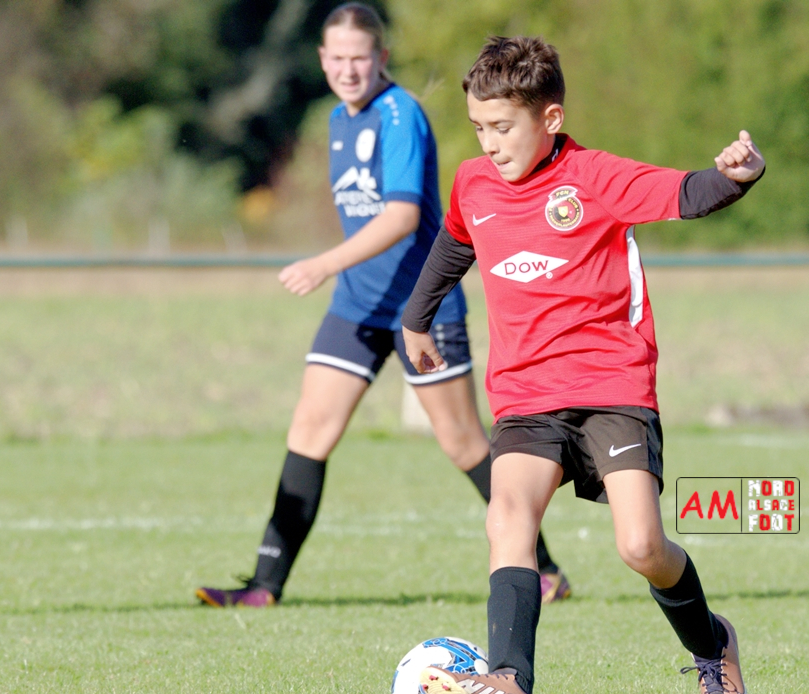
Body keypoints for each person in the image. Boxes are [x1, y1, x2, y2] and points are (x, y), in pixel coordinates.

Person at [399, 36, 765, 694]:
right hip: (526, 395)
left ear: (551, 118)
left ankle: (712, 645)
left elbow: (686, 193)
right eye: (479, 128)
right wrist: (416, 318)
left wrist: (737, 176)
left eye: (503, 127)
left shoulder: (594, 177)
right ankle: (510, 685)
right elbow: (454, 243)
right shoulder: (474, 183)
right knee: (507, 518)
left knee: (641, 547)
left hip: (611, 386)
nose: (490, 143)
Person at [196, 4, 570, 609]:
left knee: (463, 442)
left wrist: (323, 263)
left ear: (381, 58)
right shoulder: (337, 120)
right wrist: (341, 273)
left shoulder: (401, 115)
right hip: (356, 306)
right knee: (309, 430)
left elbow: (399, 217)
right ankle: (264, 586)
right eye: (337, 58)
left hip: (421, 309)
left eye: (360, 57)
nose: (348, 69)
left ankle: (546, 568)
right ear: (322, 60)